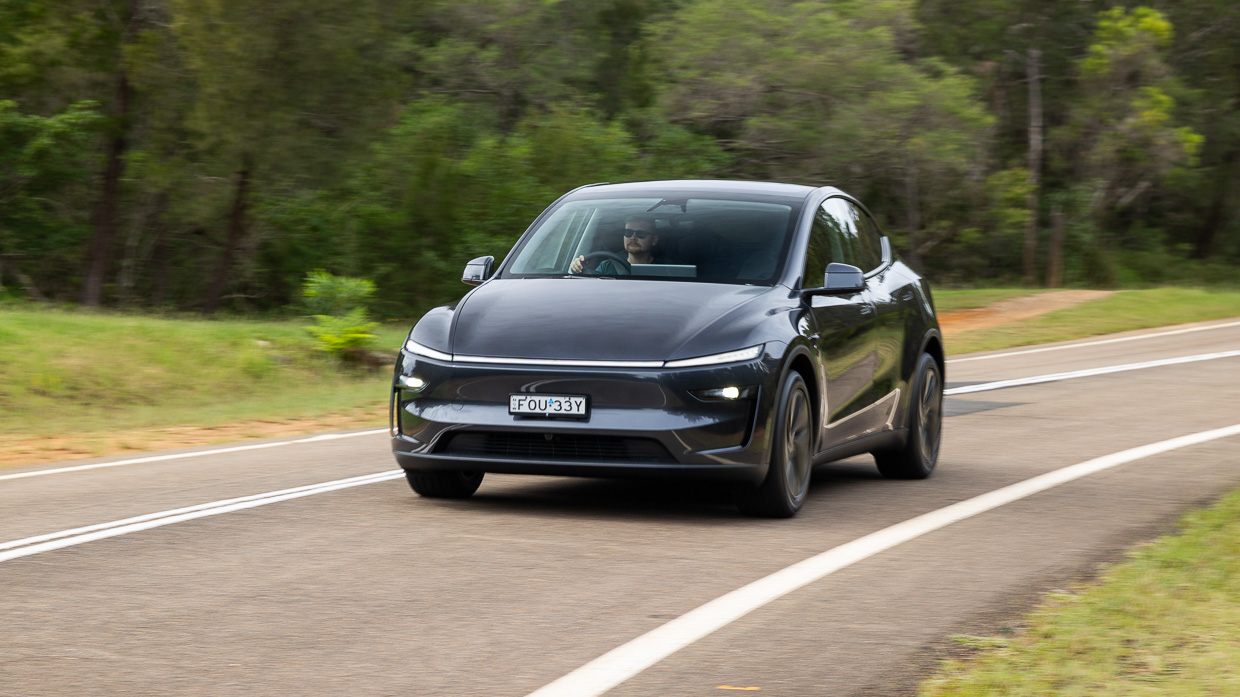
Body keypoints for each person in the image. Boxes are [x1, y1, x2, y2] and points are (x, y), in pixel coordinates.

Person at [570, 216, 659, 274]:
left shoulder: (666, 268)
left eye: (641, 234)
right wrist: (577, 267)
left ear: (654, 240)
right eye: (628, 233)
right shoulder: (607, 266)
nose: (633, 237)